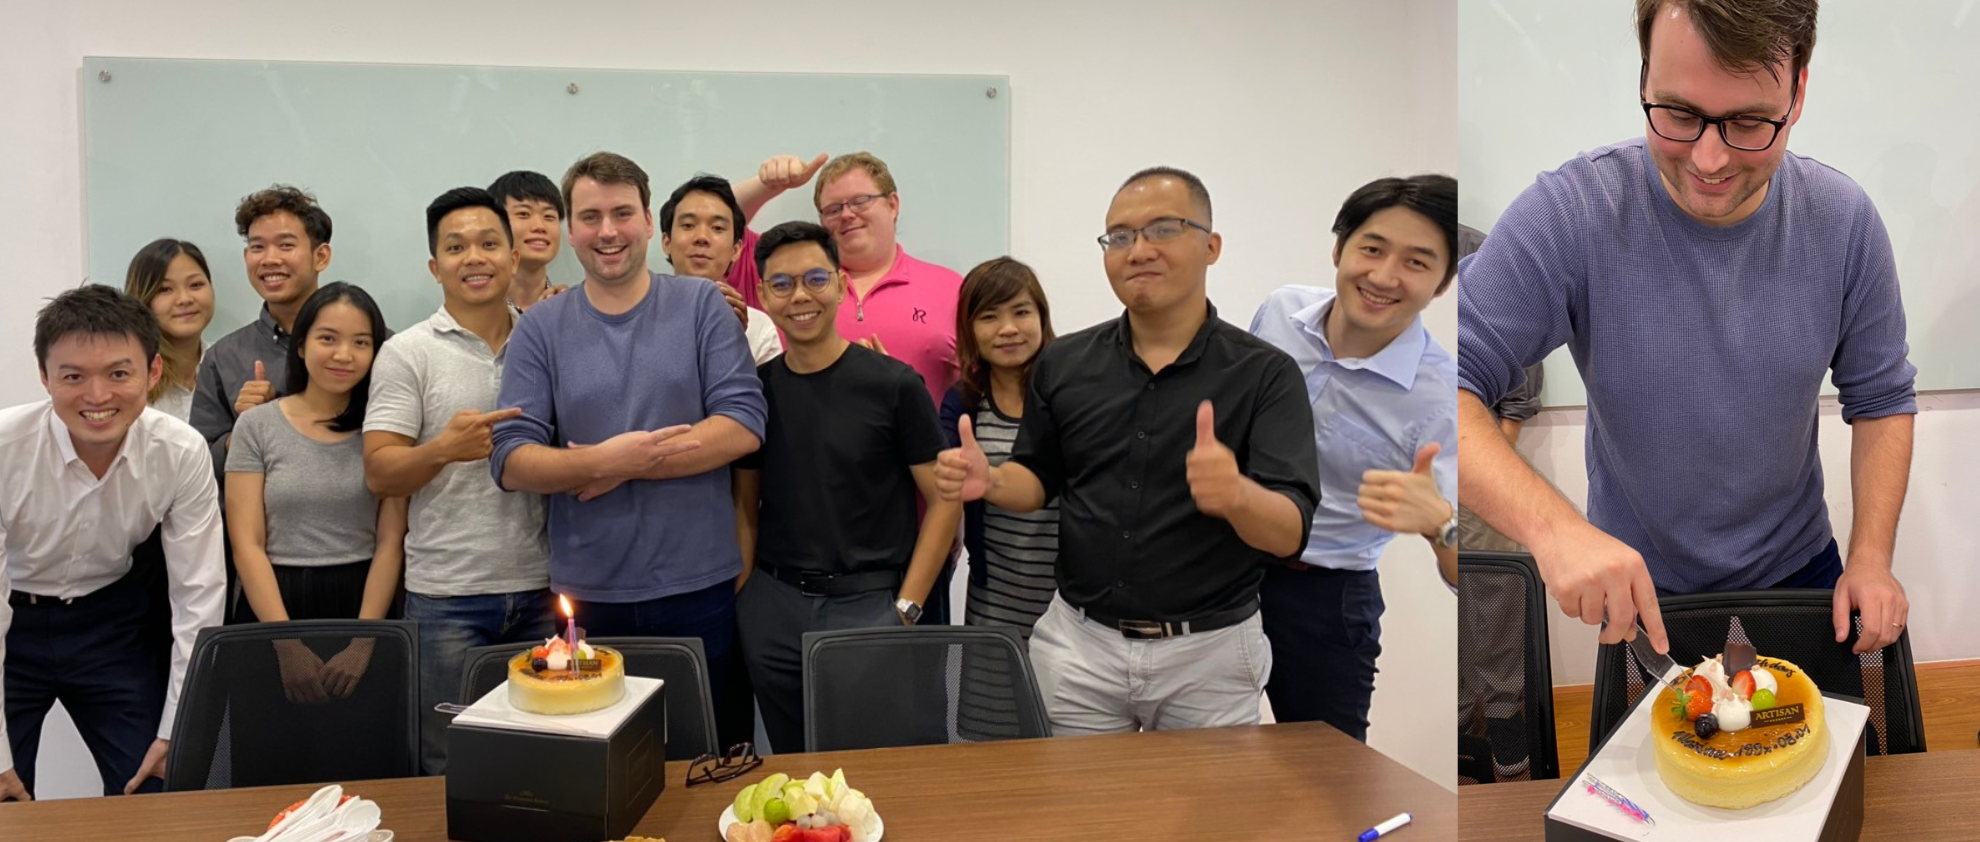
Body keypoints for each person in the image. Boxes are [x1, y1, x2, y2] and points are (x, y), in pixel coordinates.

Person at [1458, 0, 1915, 656]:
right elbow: (1436, 381)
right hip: (1642, 585)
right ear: (1644, 77)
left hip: (1799, 571)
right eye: (1677, 113)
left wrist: (1871, 557)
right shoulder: (1572, 214)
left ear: (1798, 92)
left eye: (1749, 122)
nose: (1709, 159)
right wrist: (1554, 529)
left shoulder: (1844, 222)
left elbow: (1882, 399)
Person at [934, 167, 1319, 734]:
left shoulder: (1265, 375)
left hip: (1208, 654)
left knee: (1207, 798)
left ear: (1211, 246)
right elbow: (1038, 477)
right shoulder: (1065, 364)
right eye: (1119, 236)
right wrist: (990, 480)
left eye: (1163, 229)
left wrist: (1237, 496)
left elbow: (1290, 533)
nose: (1138, 250)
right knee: (1076, 793)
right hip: (1080, 646)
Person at [490, 151, 766, 749]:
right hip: (586, 594)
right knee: (598, 762)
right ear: (571, 231)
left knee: (707, 757)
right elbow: (510, 459)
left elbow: (743, 424)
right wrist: (604, 462)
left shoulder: (702, 307)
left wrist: (632, 464)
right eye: (590, 217)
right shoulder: (540, 328)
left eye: (621, 213)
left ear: (646, 221)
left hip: (698, 587)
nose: (607, 231)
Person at [1247, 175, 1460, 741]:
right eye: (1372, 248)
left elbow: (1470, 576)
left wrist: (1441, 525)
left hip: (1324, 597)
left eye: (1416, 262)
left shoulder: (1442, 396)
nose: (1384, 277)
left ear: (1442, 283)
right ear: (1339, 248)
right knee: (1201, 752)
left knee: (1328, 769)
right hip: (1221, 566)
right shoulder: (1279, 312)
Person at [732, 221, 959, 753]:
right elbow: (745, 505)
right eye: (782, 284)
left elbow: (944, 500)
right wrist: (746, 601)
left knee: (875, 768)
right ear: (763, 294)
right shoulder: (757, 391)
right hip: (774, 606)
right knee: (792, 767)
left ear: (839, 283)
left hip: (870, 605)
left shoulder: (893, 384)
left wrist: (907, 608)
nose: (800, 296)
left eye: (815, 278)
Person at [0, 285, 226, 800]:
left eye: (119, 374)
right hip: (14, 621)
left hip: (111, 625)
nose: (98, 396)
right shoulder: (5, 448)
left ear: (152, 371)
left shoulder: (180, 451)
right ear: (45, 377)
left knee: (156, 785)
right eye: (73, 377)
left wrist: (176, 728)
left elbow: (199, 594)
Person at [363, 187, 551, 774]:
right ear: (435, 266)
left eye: (489, 243)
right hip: (447, 598)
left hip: (545, 587)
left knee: (547, 757)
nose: (474, 257)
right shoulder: (407, 352)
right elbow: (379, 471)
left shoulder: (547, 339)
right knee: (452, 763)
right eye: (456, 247)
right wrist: (444, 449)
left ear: (513, 257)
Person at [226, 282, 406, 627]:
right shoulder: (256, 425)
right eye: (328, 338)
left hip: (364, 601)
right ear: (301, 345)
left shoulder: (385, 430)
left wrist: (365, 638)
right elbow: (247, 546)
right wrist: (286, 641)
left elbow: (390, 541)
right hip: (272, 602)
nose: (343, 354)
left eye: (361, 342)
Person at [939, 258, 1060, 637]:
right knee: (987, 679)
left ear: (1041, 317)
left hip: (1072, 602)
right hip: (994, 598)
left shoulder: (1071, 390)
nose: (1008, 329)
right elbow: (942, 486)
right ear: (969, 328)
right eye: (989, 317)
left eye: (1021, 312)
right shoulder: (963, 401)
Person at [191, 185, 334, 469]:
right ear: (247, 257)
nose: (269, 259)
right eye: (257, 247)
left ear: (321, 257)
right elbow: (197, 464)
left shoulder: (370, 344)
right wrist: (246, 431)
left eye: (286, 245)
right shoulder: (223, 357)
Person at [1453, 225, 1542, 555]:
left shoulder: (1480, 251)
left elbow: (1523, 360)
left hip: (1476, 439)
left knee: (1489, 566)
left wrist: (1496, 459)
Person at [657, 174, 782, 364]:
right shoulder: (639, 315)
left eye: (717, 228)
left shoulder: (758, 329)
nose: (702, 237)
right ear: (667, 242)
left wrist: (732, 341)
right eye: (688, 225)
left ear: (736, 250)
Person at [123, 239, 216, 422]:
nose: (185, 299)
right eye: (165, 289)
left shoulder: (229, 364)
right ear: (142, 299)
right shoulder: (130, 377)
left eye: (195, 285)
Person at [487, 171, 569, 311]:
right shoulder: (474, 311)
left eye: (549, 216)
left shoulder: (570, 308)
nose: (539, 226)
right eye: (523, 214)